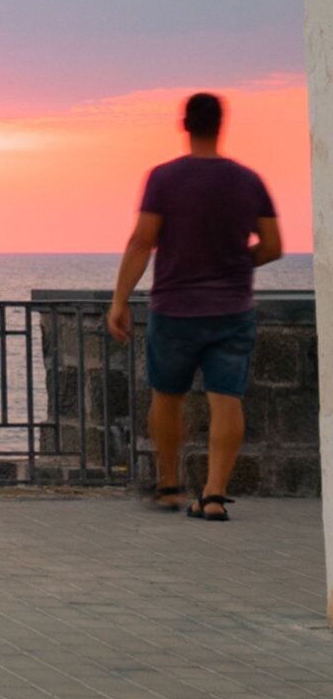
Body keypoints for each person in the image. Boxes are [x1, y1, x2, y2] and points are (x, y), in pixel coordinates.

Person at [107, 91, 284, 521]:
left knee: (167, 397)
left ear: (185, 125)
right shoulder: (249, 180)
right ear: (221, 125)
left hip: (175, 309)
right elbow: (274, 246)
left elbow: (142, 241)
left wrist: (120, 301)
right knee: (227, 400)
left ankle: (169, 487)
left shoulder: (164, 178)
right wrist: (240, 263)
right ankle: (214, 496)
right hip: (232, 309)